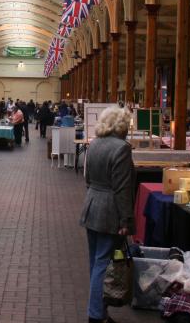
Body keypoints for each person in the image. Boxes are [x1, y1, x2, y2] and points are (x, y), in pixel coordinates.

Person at [80, 106, 135, 323]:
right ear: (120, 125)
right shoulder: (121, 148)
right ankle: (96, 316)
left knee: (96, 262)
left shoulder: (94, 144)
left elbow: (87, 179)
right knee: (103, 264)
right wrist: (126, 220)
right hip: (110, 211)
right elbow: (122, 188)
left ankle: (99, 312)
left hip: (92, 206)